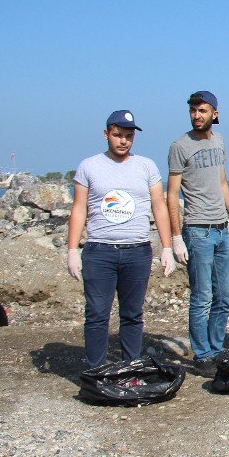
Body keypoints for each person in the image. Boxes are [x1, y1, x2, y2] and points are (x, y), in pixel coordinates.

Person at [67, 110, 176, 368]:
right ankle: (96, 371)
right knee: (96, 315)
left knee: (132, 315)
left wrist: (167, 247)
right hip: (99, 251)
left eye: (128, 136)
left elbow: (159, 206)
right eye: (117, 135)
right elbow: (79, 208)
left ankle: (131, 368)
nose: (123, 141)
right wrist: (72, 249)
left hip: (137, 251)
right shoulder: (89, 166)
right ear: (106, 134)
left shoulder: (146, 166)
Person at [167, 91, 229, 377]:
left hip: (221, 229)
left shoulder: (219, 141)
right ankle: (202, 354)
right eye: (193, 110)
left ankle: (216, 348)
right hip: (197, 230)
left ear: (215, 113)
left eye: (202, 110)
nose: (196, 115)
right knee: (202, 296)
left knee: (224, 295)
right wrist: (176, 237)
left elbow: (222, 182)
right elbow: (172, 193)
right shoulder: (180, 146)